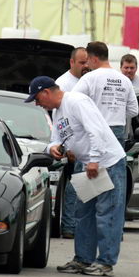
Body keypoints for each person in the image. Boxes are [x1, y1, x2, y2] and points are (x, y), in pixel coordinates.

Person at [26, 76, 127, 277]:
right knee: (84, 213)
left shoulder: (76, 101)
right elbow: (56, 138)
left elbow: (95, 130)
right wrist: (54, 148)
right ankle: (83, 259)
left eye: (37, 98)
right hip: (87, 163)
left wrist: (94, 160)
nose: (37, 103)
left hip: (106, 163)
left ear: (46, 92)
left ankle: (105, 262)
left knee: (107, 213)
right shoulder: (57, 111)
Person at [73, 41, 138, 147]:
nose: (87, 64)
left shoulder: (89, 78)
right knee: (115, 163)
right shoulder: (125, 80)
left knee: (91, 163)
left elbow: (72, 101)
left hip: (95, 130)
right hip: (118, 131)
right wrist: (116, 112)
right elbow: (133, 111)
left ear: (94, 59)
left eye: (87, 60)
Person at [54, 47, 90, 239]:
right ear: (72, 62)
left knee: (88, 187)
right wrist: (67, 147)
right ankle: (69, 227)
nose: (86, 66)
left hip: (87, 145)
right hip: (73, 147)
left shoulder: (89, 81)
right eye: (82, 63)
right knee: (74, 187)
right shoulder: (63, 83)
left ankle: (81, 226)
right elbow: (61, 120)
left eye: (87, 62)